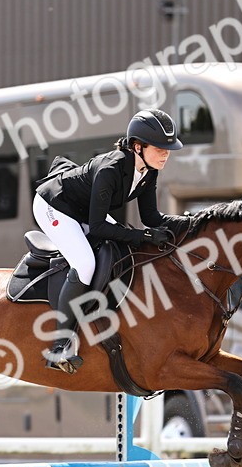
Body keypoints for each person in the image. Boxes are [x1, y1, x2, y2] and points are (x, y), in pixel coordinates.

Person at [32, 108, 189, 374]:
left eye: (168, 148)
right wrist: (143, 236)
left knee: (124, 250)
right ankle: (59, 346)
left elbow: (151, 217)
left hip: (84, 211)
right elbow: (98, 227)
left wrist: (189, 224)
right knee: (85, 264)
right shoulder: (111, 169)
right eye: (161, 147)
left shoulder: (148, 170)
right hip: (54, 206)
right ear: (138, 147)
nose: (166, 153)